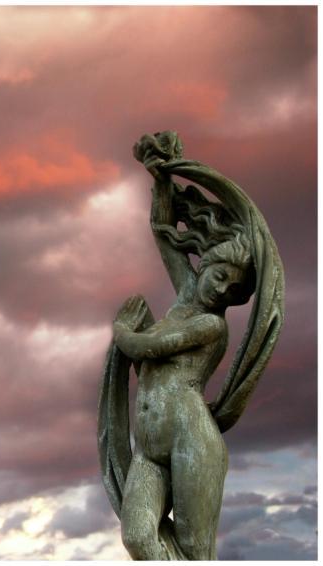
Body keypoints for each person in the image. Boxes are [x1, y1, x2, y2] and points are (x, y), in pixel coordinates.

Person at [98, 132, 284, 560]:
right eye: (219, 277)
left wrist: (122, 331)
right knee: (138, 537)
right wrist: (162, 177)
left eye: (234, 291)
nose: (222, 290)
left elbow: (145, 347)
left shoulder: (210, 326)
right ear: (206, 264)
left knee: (196, 551)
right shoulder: (186, 293)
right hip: (149, 449)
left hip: (191, 440)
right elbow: (163, 234)